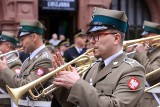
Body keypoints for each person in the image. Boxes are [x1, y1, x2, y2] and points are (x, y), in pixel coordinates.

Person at [51, 7, 145, 107]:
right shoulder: (92, 67)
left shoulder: (132, 70)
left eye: (97, 35)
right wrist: (63, 83)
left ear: (116, 38)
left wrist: (77, 84)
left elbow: (116, 105)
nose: (91, 41)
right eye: (91, 36)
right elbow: (73, 104)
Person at [0, 20, 54, 107]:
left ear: (34, 37)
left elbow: (26, 88)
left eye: (22, 39)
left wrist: (4, 69)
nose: (20, 44)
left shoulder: (44, 59)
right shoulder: (30, 59)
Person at [128, 21, 160, 107]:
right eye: (143, 35)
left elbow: (151, 74)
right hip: (138, 98)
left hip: (152, 101)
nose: (143, 37)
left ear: (157, 36)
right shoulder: (148, 51)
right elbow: (132, 69)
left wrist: (141, 53)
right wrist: (132, 52)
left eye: (147, 35)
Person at [0, 31, 22, 107]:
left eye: (0, 44)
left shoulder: (15, 62)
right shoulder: (2, 59)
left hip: (6, 103)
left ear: (7, 47)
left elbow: (14, 84)